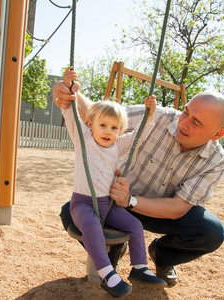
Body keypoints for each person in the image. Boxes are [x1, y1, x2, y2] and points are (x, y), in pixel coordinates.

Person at [54, 78, 224, 287]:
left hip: (158, 211)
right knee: (71, 212)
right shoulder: (159, 116)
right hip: (116, 202)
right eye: (186, 113)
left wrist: (130, 200)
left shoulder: (215, 161)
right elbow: (101, 114)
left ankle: (162, 255)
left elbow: (177, 208)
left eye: (196, 123)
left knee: (211, 231)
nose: (183, 123)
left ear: (217, 134)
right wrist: (71, 93)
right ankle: (114, 249)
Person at [61, 67, 166, 298]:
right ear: (90, 124)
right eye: (103, 125)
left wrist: (150, 114)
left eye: (114, 127)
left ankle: (139, 268)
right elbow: (70, 114)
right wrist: (69, 88)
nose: (108, 132)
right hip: (82, 204)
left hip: (107, 205)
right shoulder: (83, 137)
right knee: (91, 227)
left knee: (135, 226)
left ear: (119, 131)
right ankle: (107, 274)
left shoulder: (118, 145)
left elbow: (140, 136)